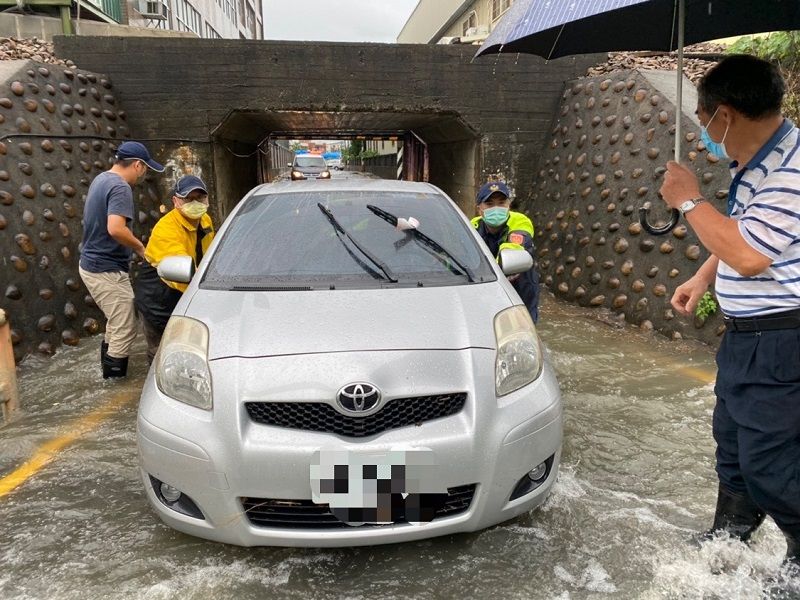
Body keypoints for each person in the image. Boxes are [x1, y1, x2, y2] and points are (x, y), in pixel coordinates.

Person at [659, 55, 800, 573]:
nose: (704, 129)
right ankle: (730, 536)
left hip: (784, 340)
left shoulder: (792, 168)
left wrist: (691, 200)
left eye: (704, 116)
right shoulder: (758, 162)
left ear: (725, 113)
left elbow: (749, 253)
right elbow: (747, 231)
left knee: (774, 463)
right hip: (747, 338)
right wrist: (701, 278)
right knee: (735, 446)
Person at [79, 141, 164, 378]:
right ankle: (113, 384)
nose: (144, 174)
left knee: (116, 323)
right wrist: (140, 248)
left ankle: (106, 373)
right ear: (138, 165)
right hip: (105, 268)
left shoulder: (102, 178)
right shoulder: (120, 187)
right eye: (146, 168)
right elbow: (116, 228)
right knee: (125, 328)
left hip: (92, 264)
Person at [134, 175, 215, 364]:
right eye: (189, 199)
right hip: (160, 297)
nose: (195, 203)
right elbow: (182, 269)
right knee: (162, 354)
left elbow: (211, 256)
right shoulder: (166, 229)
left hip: (187, 293)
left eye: (200, 198)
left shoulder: (205, 220)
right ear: (176, 201)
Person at [472, 181, 539, 322]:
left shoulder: (520, 221)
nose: (496, 209)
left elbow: (512, 247)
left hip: (519, 291)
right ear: (479, 209)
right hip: (486, 293)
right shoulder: (473, 226)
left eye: (501, 203)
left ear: (508, 206)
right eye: (489, 204)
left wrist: (491, 271)